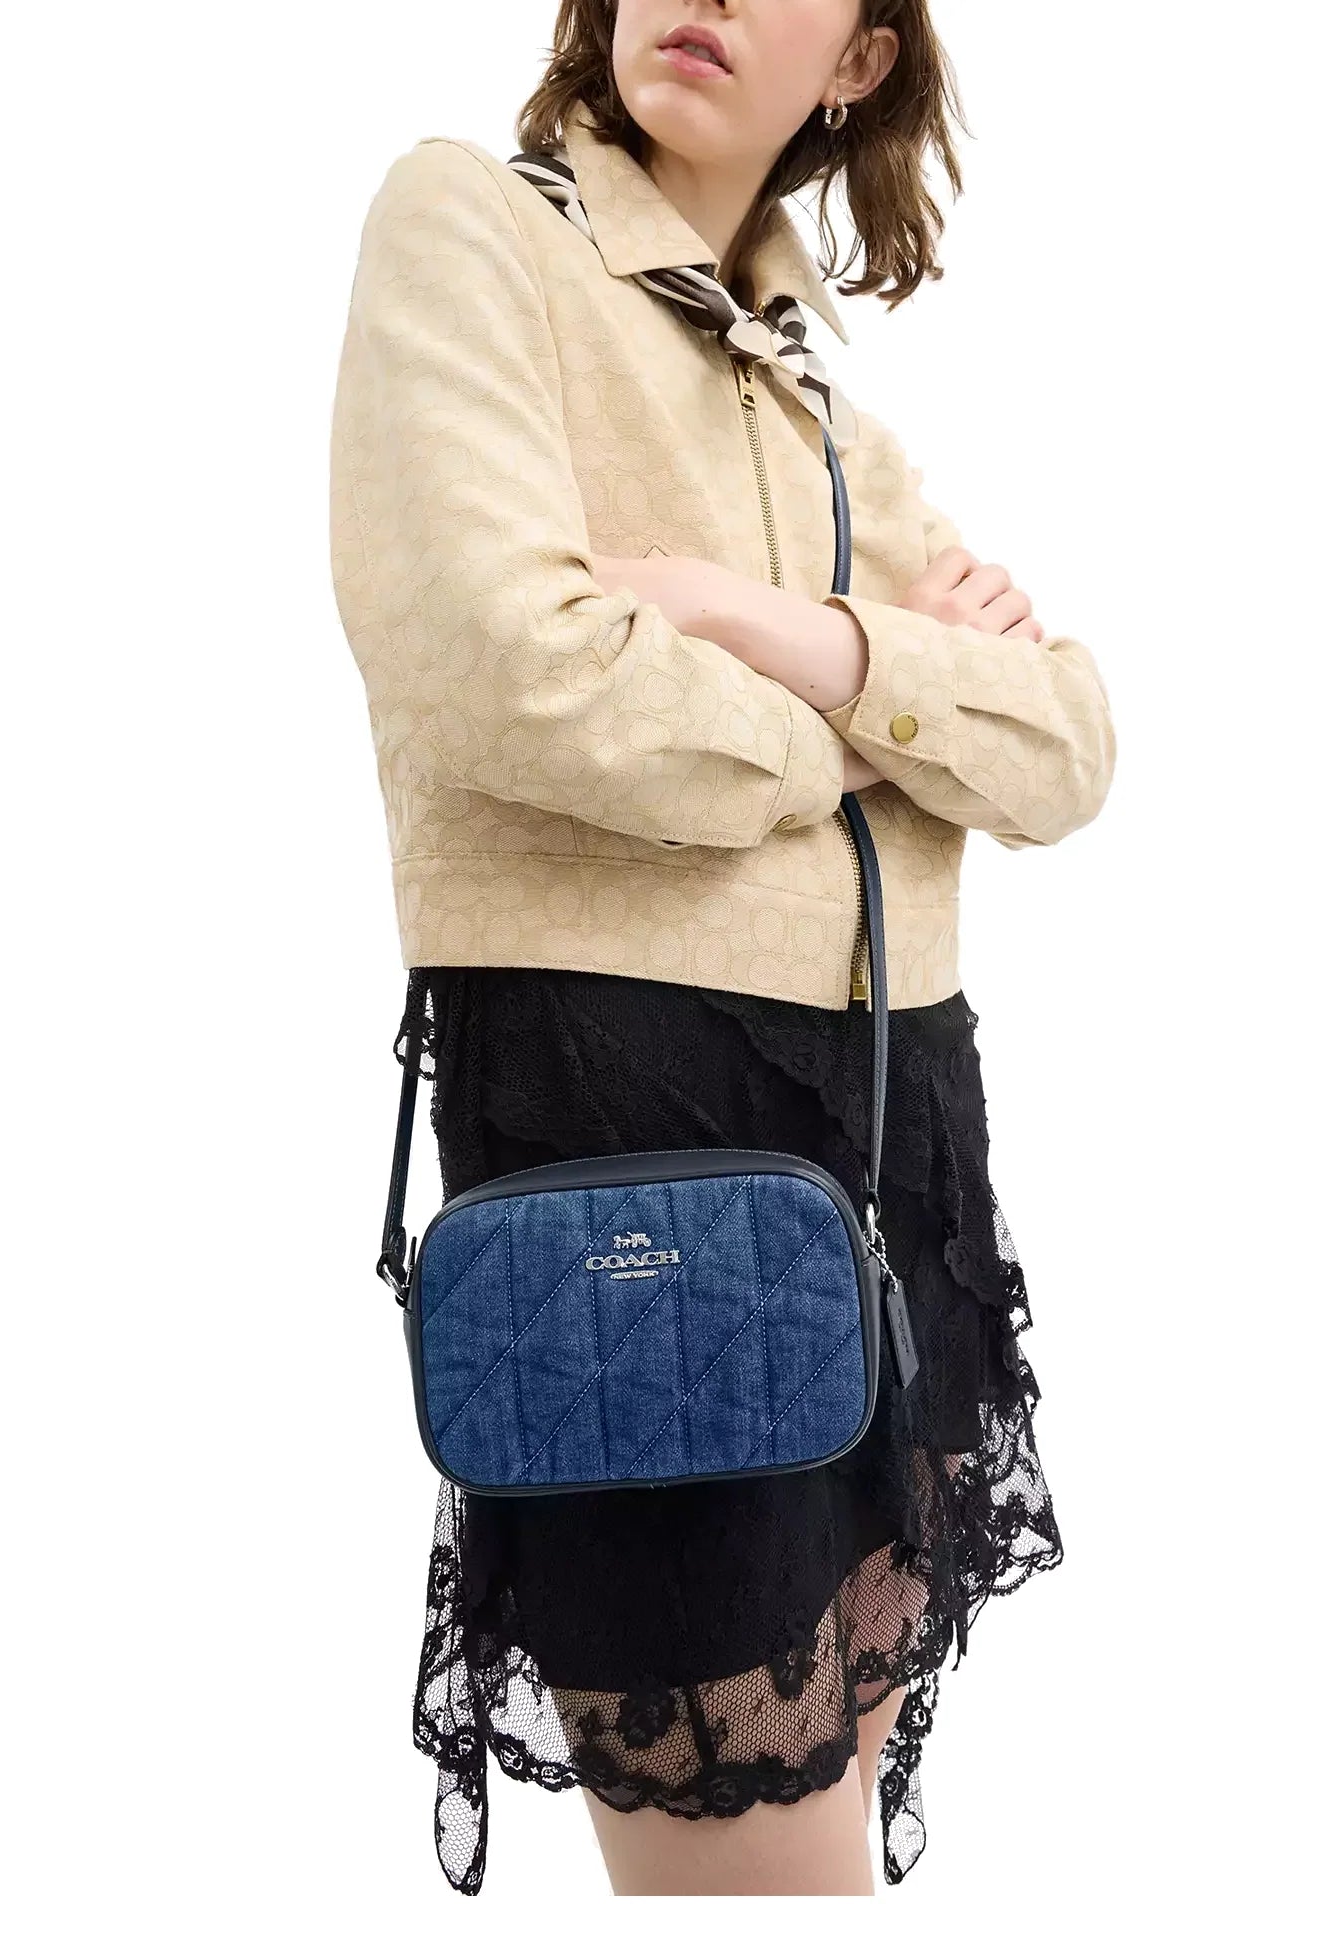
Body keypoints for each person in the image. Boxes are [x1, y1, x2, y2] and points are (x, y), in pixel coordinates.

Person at [329, 0, 1116, 1897]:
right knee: (755, 1881)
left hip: (894, 1133)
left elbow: (1067, 744)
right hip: (635, 1130)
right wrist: (881, 715)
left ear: (858, 60)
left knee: (818, 1860)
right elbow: (510, 672)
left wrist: (774, 630)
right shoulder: (472, 228)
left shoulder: (813, 393)